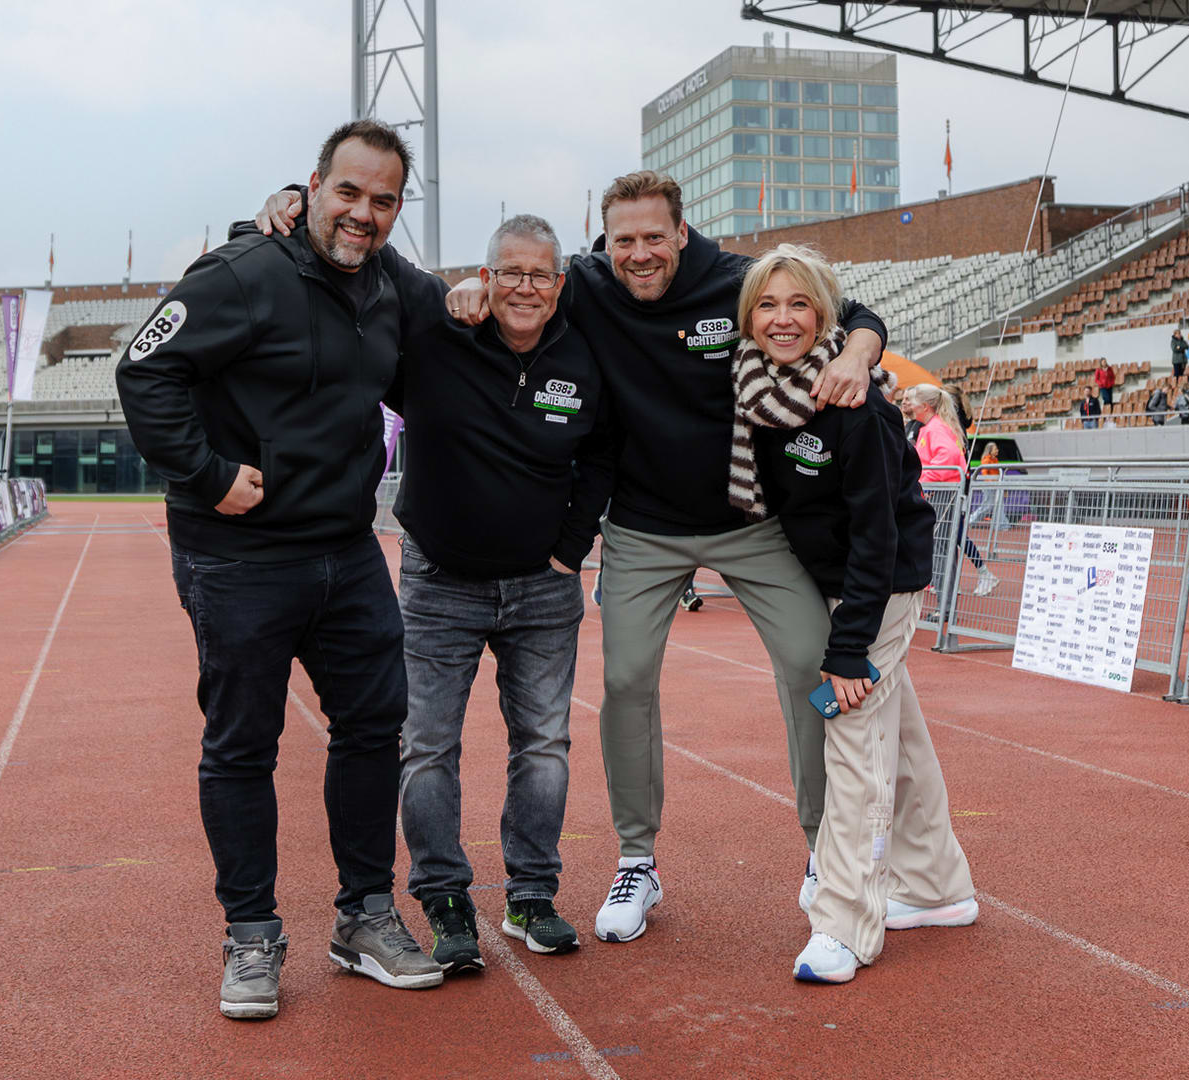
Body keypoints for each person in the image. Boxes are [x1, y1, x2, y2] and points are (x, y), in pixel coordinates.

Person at [270, 171, 890, 943]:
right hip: (643, 526)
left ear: (682, 234)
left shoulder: (736, 283)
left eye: (653, 238)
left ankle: (821, 851)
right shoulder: (583, 285)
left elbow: (850, 309)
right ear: (603, 247)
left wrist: (859, 352)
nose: (639, 254)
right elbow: (474, 278)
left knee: (810, 665)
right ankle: (637, 858)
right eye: (623, 240)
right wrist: (462, 279)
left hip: (746, 517)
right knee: (625, 680)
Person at [120, 121, 443, 1020]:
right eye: (349, 193)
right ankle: (252, 935)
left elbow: (462, 318)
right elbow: (144, 370)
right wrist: (206, 475)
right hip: (239, 557)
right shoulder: (243, 272)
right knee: (242, 745)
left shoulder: (390, 285)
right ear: (311, 187)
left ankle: (365, 917)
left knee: (376, 728)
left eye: (383, 201)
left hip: (346, 551)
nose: (364, 214)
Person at [730, 246, 973, 984]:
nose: (783, 319)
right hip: (827, 581)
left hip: (881, 585)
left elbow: (879, 535)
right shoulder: (751, 392)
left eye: (799, 304)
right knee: (895, 731)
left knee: (854, 738)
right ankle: (937, 889)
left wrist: (848, 647)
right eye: (768, 305)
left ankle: (845, 922)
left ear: (826, 315)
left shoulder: (858, 405)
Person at [382, 214, 613, 970]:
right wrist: (284, 204)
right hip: (439, 582)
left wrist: (570, 549)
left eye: (538, 274)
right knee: (425, 746)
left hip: (542, 593)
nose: (523, 286)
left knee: (544, 745)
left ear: (559, 285)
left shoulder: (584, 356)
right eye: (507, 271)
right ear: (484, 277)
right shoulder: (434, 341)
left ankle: (531, 895)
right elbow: (363, 255)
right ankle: (444, 897)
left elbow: (602, 460)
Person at [909, 383, 998, 597]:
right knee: (946, 544)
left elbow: (947, 459)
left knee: (946, 544)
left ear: (925, 405)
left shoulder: (936, 428)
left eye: (911, 399)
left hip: (944, 493)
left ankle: (947, 599)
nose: (908, 404)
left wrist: (920, 480)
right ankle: (945, 595)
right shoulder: (931, 427)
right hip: (941, 492)